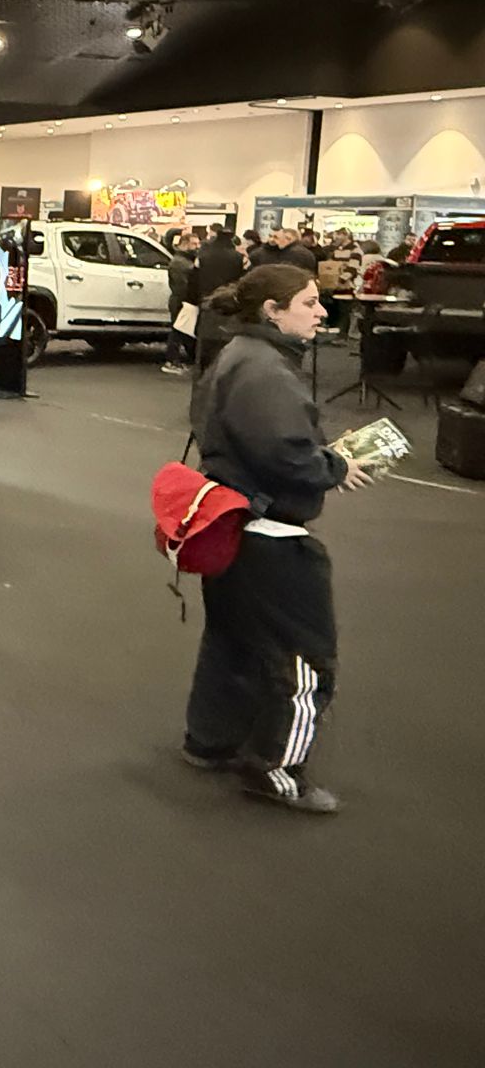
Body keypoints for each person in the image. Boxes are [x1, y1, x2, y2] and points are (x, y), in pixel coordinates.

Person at [182, 265, 373, 815]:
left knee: (233, 641)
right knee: (307, 659)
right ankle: (278, 772)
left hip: (232, 525)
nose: (321, 313)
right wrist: (332, 466)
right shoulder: (266, 370)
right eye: (310, 303)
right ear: (273, 309)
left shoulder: (240, 355)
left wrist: (321, 459)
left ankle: (209, 741)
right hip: (269, 535)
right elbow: (287, 454)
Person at [164, 229, 198, 374]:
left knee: (182, 331)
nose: (197, 247)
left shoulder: (185, 260)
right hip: (181, 300)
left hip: (183, 300)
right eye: (194, 244)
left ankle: (176, 360)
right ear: (184, 244)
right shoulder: (180, 263)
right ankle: (171, 361)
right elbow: (182, 285)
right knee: (177, 332)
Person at [250, 225, 320, 276]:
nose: (272, 240)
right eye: (270, 236)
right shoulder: (306, 253)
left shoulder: (290, 253)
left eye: (276, 237)